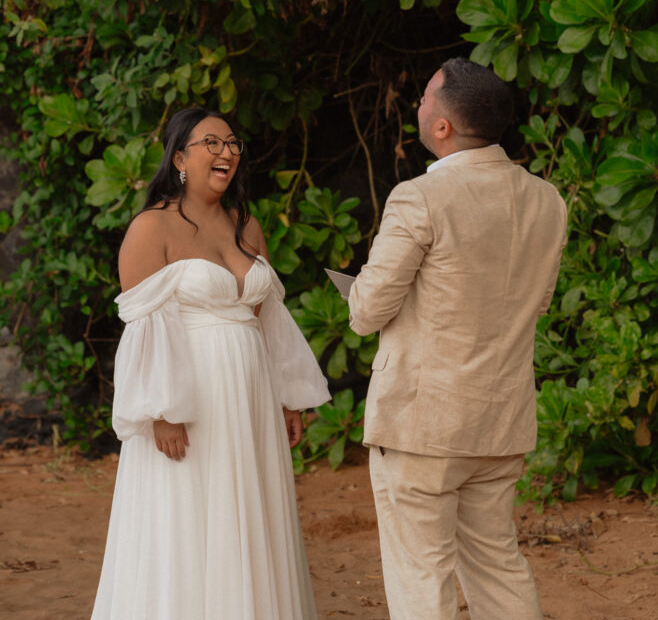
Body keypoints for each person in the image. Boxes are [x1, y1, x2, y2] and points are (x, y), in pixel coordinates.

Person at [348, 58, 568, 620]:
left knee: (422, 574)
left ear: (443, 126)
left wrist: (356, 292)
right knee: (498, 563)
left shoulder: (419, 196)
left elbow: (368, 311)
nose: (418, 108)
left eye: (423, 99)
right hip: (501, 418)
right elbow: (535, 304)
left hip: (423, 424)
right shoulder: (547, 201)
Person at [91, 107, 330, 620]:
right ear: (180, 158)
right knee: (190, 515)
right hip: (189, 401)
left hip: (251, 398)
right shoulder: (151, 227)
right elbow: (144, 328)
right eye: (211, 143)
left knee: (251, 512)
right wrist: (162, 409)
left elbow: (269, 320)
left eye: (233, 143)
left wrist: (289, 395)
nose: (227, 152)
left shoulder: (247, 224)